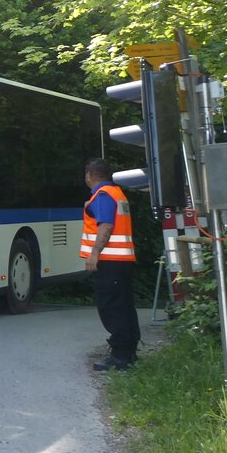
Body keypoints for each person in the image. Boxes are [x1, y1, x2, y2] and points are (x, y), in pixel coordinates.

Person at [81, 157, 140, 371]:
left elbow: (105, 226)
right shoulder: (117, 193)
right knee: (124, 306)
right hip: (122, 261)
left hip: (109, 261)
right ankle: (128, 352)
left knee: (112, 308)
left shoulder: (103, 195)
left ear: (89, 175)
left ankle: (120, 356)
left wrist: (94, 253)